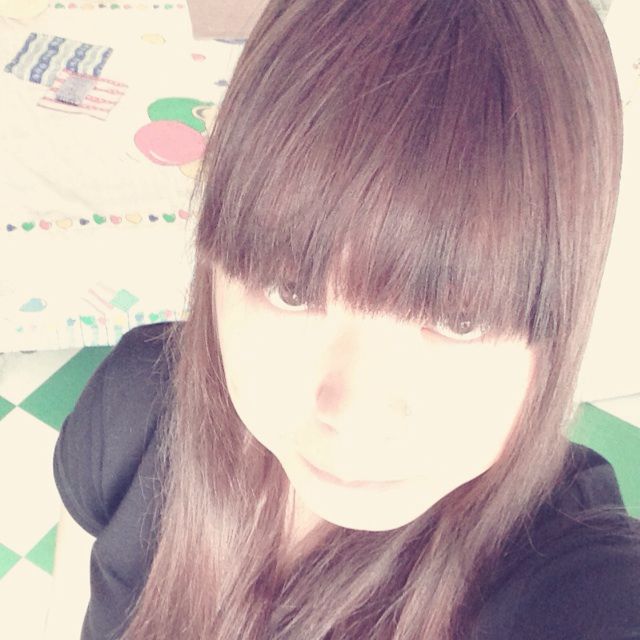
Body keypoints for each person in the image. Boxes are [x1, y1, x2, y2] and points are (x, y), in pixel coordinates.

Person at [53, 0, 640, 638]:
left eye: (460, 321)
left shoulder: (569, 570)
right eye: (291, 290)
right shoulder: (135, 408)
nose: (355, 417)